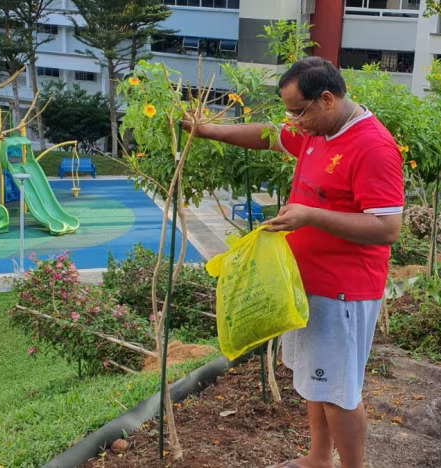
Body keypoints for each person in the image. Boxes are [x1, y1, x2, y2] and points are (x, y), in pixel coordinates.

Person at [184, 57, 404, 468]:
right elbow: (268, 136)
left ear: (326, 99)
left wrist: (309, 215)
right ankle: (318, 459)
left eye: (298, 111)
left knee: (338, 390)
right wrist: (207, 130)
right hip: (307, 283)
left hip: (343, 290)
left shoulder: (372, 146)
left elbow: (387, 227)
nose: (293, 121)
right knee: (315, 381)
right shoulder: (319, 130)